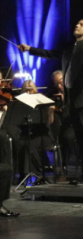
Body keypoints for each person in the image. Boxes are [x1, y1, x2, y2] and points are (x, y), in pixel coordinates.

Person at [19, 20, 83, 176]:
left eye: (81, 24)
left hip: (82, 98)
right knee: (79, 136)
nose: (77, 25)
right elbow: (51, 54)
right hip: (72, 99)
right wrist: (30, 49)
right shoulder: (69, 46)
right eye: (77, 23)